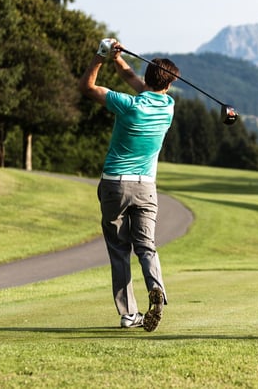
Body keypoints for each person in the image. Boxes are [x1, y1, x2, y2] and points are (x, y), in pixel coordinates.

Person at [78, 38, 179, 332]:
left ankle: (129, 314)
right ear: (169, 86)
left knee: (120, 250)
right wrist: (118, 59)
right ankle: (156, 288)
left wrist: (101, 56)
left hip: (115, 185)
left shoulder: (129, 104)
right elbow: (134, 79)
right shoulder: (168, 107)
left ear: (147, 78)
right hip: (146, 188)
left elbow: (87, 88)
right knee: (146, 246)